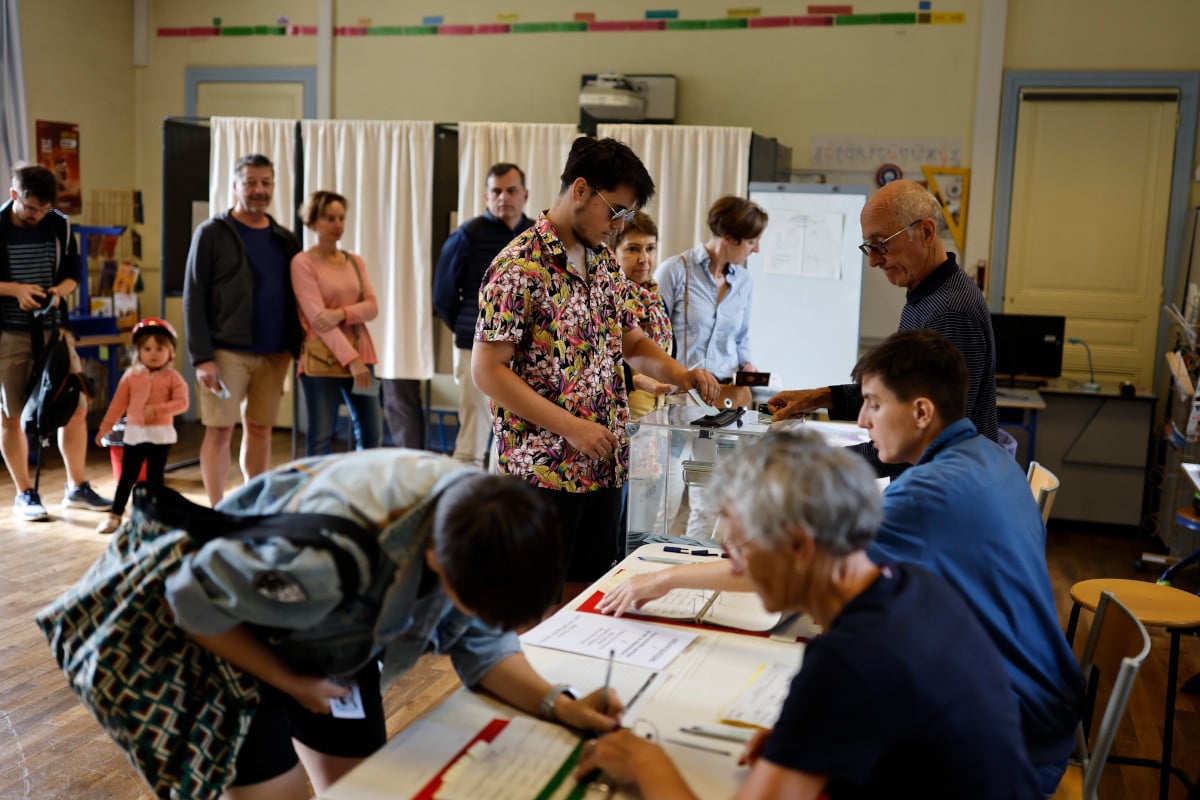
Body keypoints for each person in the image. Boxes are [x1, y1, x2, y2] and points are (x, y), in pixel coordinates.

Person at [602, 329, 1081, 795]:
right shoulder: (987, 463)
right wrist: (817, 741)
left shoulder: (922, 505)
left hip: (1030, 731)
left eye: (873, 403)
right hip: (1039, 714)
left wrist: (645, 761)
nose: (864, 421)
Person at [580, 429, 1041, 799]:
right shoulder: (913, 586)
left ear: (799, 545)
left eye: (739, 547)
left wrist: (644, 762)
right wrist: (812, 746)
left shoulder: (848, 660)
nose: (735, 566)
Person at [165, 448, 623, 799]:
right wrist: (289, 681)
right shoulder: (324, 558)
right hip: (228, 638)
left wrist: (560, 706)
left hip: (337, 644)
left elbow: (483, 645)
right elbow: (187, 599)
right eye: (472, 607)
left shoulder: (480, 520)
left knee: (362, 787)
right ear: (432, 559)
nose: (477, 622)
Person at [472, 136, 719, 602]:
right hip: (542, 470)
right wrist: (572, 428)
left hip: (602, 463)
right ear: (581, 190)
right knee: (535, 600)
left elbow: (630, 340)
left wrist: (681, 374)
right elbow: (487, 371)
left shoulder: (602, 261)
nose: (619, 225)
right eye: (617, 211)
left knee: (589, 591)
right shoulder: (518, 266)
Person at [767, 179, 998, 477]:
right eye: (868, 247)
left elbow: (924, 440)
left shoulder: (950, 313)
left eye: (881, 244)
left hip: (946, 493)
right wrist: (818, 398)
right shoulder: (927, 294)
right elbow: (896, 394)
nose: (873, 261)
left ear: (926, 232)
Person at [183, 153, 303, 506]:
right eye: (250, 182)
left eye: (266, 182)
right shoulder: (211, 233)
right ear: (235, 186)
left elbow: (299, 296)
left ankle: (253, 502)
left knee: (261, 430)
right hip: (224, 351)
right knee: (220, 430)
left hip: (274, 351)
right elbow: (193, 297)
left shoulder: (285, 238)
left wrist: (299, 348)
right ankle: (217, 508)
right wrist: (202, 358)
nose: (259, 190)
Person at [0, 163, 113, 521]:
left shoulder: (59, 225)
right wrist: (15, 290)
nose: (36, 215)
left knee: (74, 406)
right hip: (10, 334)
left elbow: (73, 275)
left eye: (43, 209)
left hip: (54, 331)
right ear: (14, 195)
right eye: (30, 208)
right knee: (11, 416)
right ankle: (24, 493)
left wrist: (57, 293)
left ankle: (75, 487)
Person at [432, 162, 534, 466]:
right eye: (496, 191)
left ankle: (500, 505)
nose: (504, 197)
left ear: (525, 195)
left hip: (524, 350)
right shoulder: (466, 235)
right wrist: (470, 328)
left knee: (513, 436)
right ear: (486, 197)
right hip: (475, 347)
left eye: (511, 190)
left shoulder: (536, 237)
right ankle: (464, 508)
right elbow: (443, 296)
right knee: (473, 434)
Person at [291, 190, 383, 456]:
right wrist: (351, 360)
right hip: (323, 357)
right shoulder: (303, 263)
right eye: (330, 218)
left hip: (362, 353)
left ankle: (361, 492)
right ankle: (317, 495)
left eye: (341, 217)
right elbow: (318, 320)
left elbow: (372, 307)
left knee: (371, 434)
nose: (338, 224)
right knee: (320, 438)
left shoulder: (355, 261)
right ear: (313, 222)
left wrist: (340, 314)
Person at [93, 317, 189, 535]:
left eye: (159, 348)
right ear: (138, 351)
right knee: (127, 477)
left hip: (160, 436)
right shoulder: (131, 376)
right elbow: (118, 403)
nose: (153, 353)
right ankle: (115, 516)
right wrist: (105, 427)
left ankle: (156, 518)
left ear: (170, 352)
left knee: (156, 479)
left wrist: (159, 410)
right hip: (135, 435)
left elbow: (183, 403)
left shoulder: (173, 377)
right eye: (147, 348)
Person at [654, 195, 766, 384]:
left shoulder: (744, 281)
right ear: (727, 238)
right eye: (751, 242)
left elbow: (740, 339)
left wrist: (746, 364)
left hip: (728, 394)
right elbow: (653, 338)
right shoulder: (674, 271)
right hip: (682, 392)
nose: (756, 249)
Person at [609, 211, 674, 419]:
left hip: (657, 418)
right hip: (619, 417)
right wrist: (635, 381)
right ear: (612, 252)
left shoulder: (656, 300)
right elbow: (592, 366)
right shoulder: (607, 297)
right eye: (633, 249)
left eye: (650, 249)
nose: (644, 259)